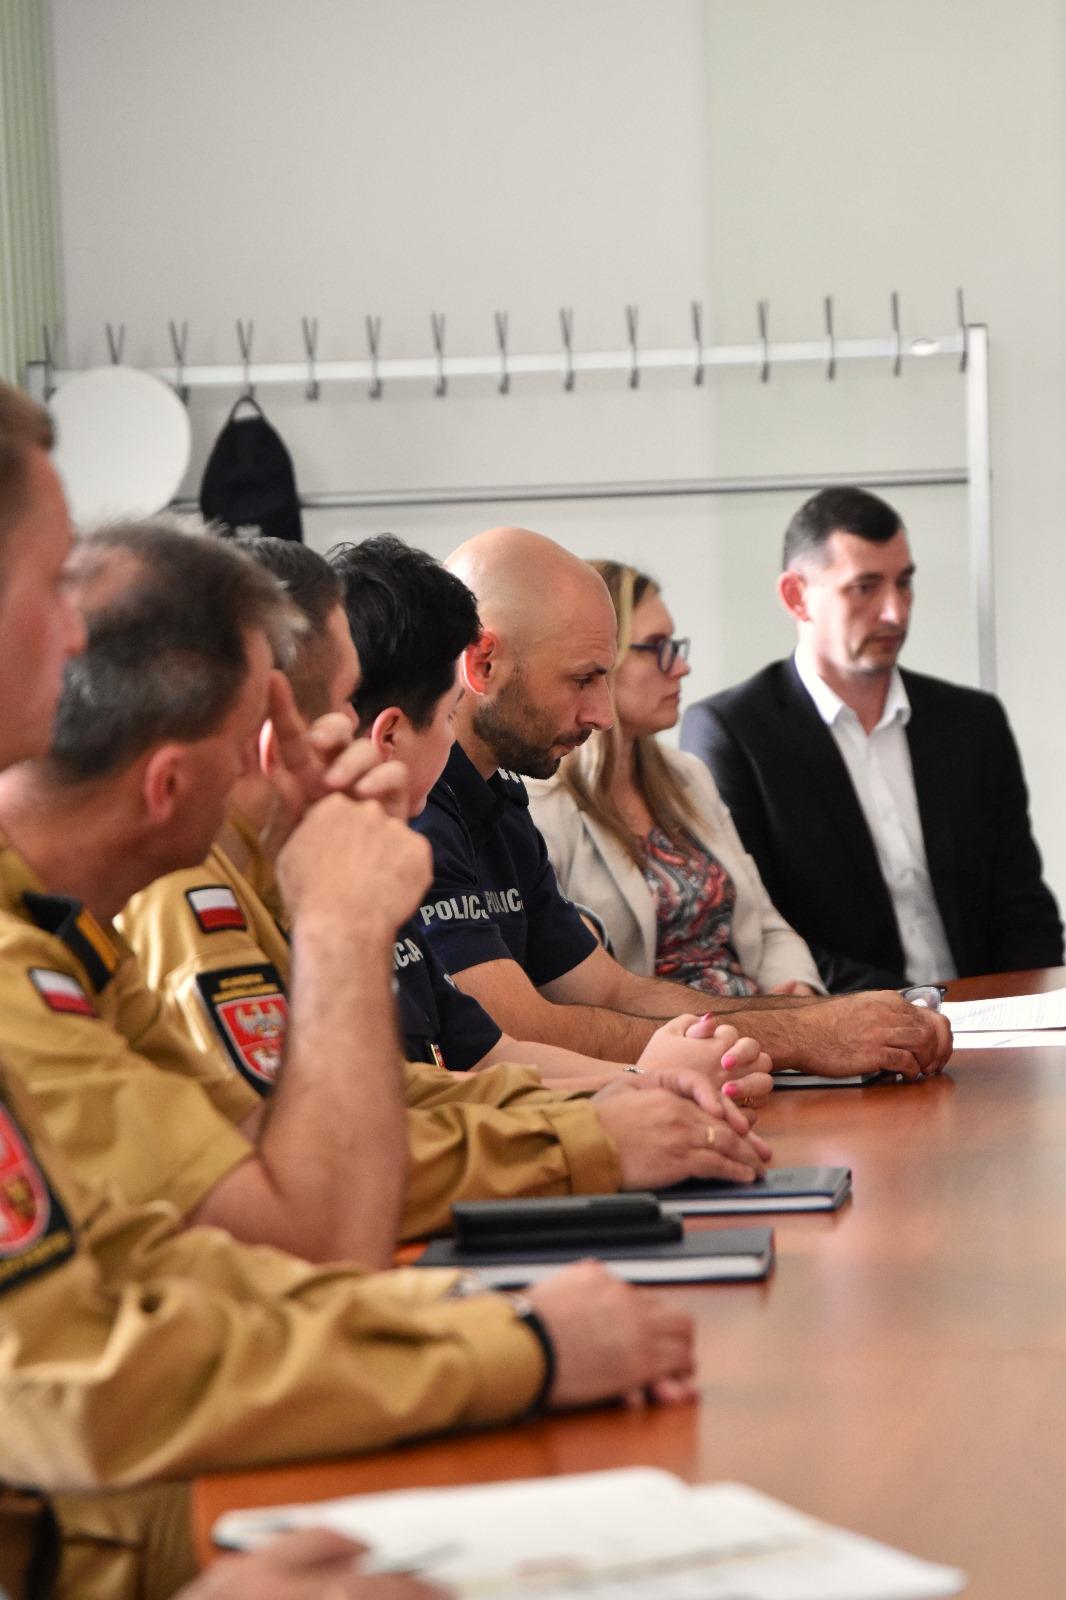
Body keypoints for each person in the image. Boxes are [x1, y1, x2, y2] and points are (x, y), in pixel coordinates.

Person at [0, 381, 696, 1600]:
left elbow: (191, 1241)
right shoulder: (117, 920)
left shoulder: (52, 934)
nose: (75, 636)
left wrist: (503, 1312)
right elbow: (260, 1256)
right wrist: (513, 1341)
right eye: (49, 583)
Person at [117, 532, 772, 1223]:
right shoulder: (194, 891)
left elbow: (424, 1080)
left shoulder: (294, 867)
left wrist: (630, 1091)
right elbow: (312, 1179)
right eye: (343, 706)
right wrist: (586, 1137)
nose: (357, 733)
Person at [410, 525, 951, 1078]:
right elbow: (519, 1034)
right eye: (583, 679)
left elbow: (614, 991)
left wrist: (826, 1017)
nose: (602, 714)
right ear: (482, 664)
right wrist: (803, 1036)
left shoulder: (499, 800)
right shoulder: (419, 812)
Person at [331, 534, 773, 1108]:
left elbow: (484, 1057)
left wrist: (653, 1079)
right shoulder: (396, 843)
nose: (603, 714)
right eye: (444, 719)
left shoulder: (489, 803)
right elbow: (425, 1100)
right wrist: (649, 1081)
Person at [680, 486, 1064, 992]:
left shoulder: (972, 723)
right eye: (864, 587)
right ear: (796, 596)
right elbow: (759, 934)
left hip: (997, 1017)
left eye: (903, 583)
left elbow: (1024, 909)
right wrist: (920, 1009)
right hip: (850, 1023)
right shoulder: (734, 734)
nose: (895, 613)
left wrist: (1027, 1010)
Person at [527, 559, 823, 998]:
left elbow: (765, 924)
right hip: (667, 1033)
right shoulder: (539, 804)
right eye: (657, 647)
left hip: (761, 1018)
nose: (681, 668)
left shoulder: (688, 776)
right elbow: (571, 989)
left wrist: (799, 994)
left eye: (675, 646)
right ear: (601, 660)